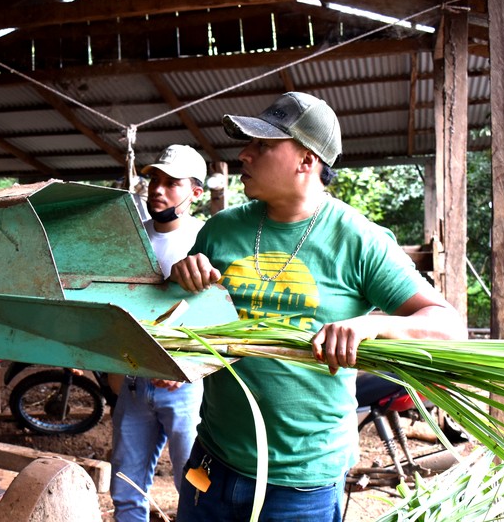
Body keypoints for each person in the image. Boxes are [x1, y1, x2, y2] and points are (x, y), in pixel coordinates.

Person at [168, 92, 465, 521]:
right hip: (213, 462)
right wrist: (184, 279)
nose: (244, 154)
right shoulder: (220, 230)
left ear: (306, 161)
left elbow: (449, 327)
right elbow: (183, 319)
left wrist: (370, 326)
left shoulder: (358, 240)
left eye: (262, 145)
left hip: (301, 484)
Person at [110, 144, 209, 522]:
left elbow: (221, 317)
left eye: (171, 183)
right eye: (154, 180)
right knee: (126, 487)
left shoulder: (206, 241)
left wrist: (188, 366)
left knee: (195, 487)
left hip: (187, 388)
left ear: (195, 193)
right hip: (134, 384)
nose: (157, 190)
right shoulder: (130, 240)